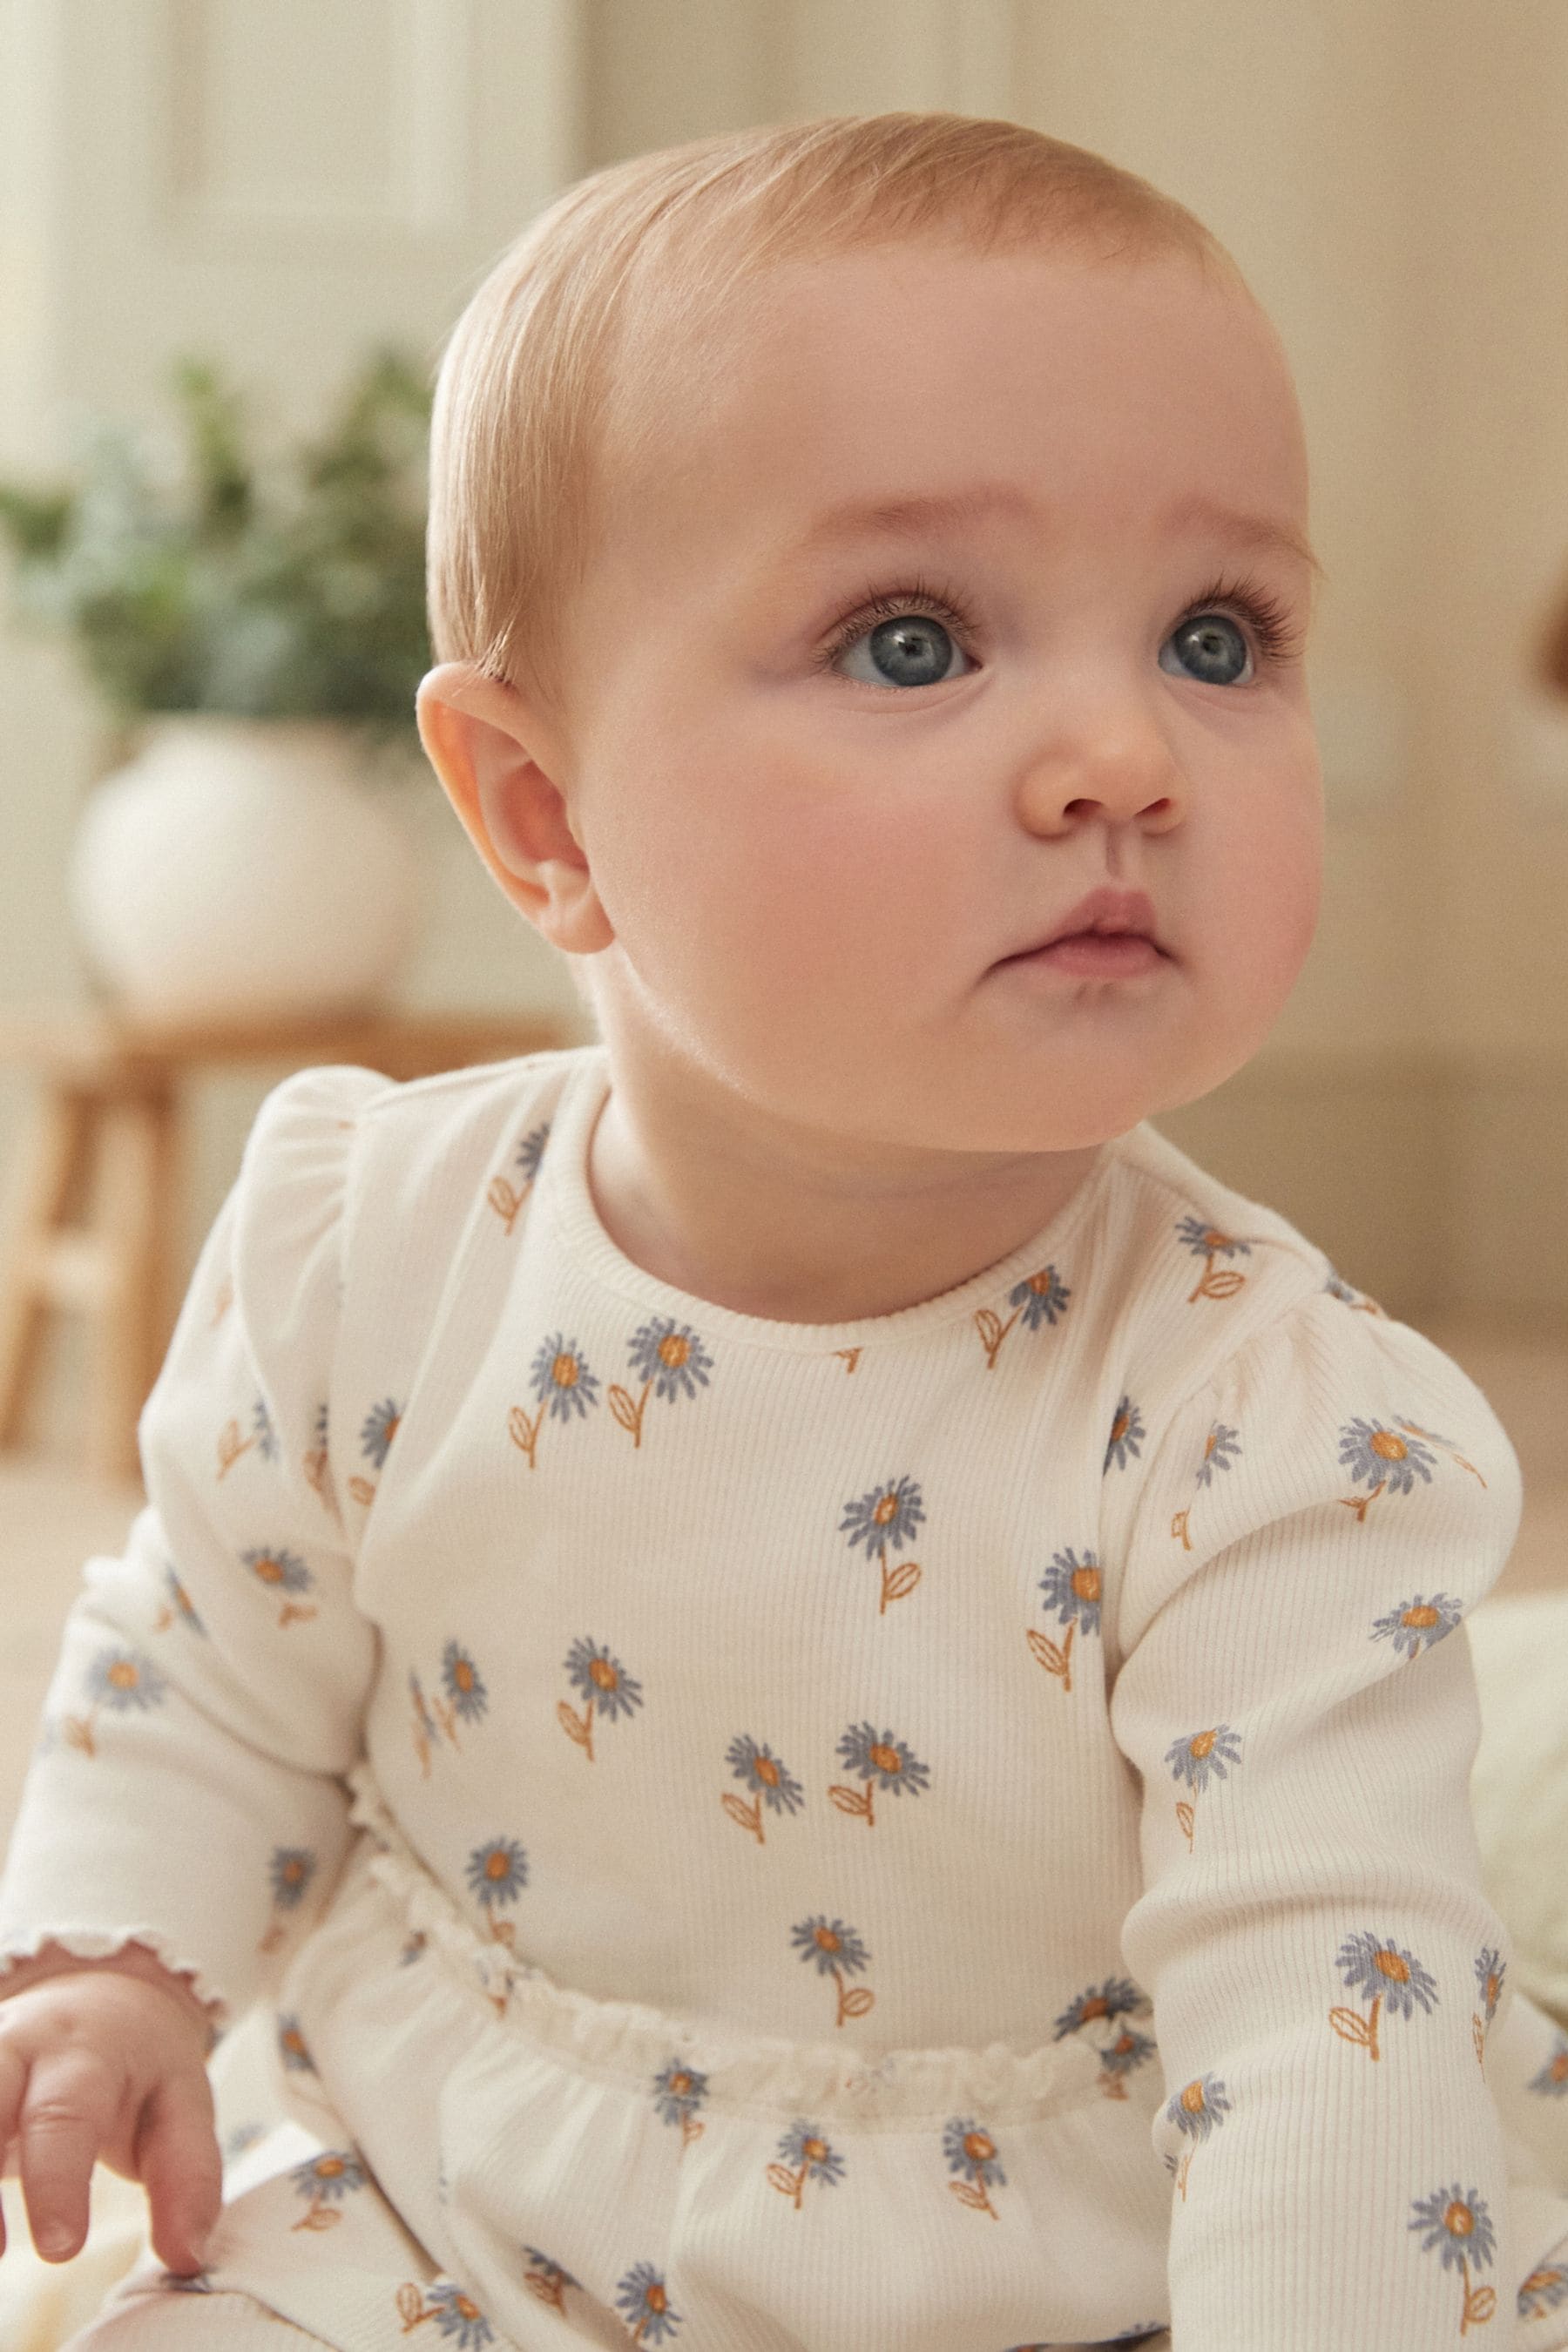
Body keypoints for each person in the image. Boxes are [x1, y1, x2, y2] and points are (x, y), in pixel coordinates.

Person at [2, 110, 1566, 2352]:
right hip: (463, 2171)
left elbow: (1331, 2024)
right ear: (547, 816)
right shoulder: (376, 1245)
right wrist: (103, 1959)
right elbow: (210, 1659)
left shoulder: (1273, 1434)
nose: (1124, 751)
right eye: (918, 640)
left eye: (1221, 634)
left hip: (1070, 2248)